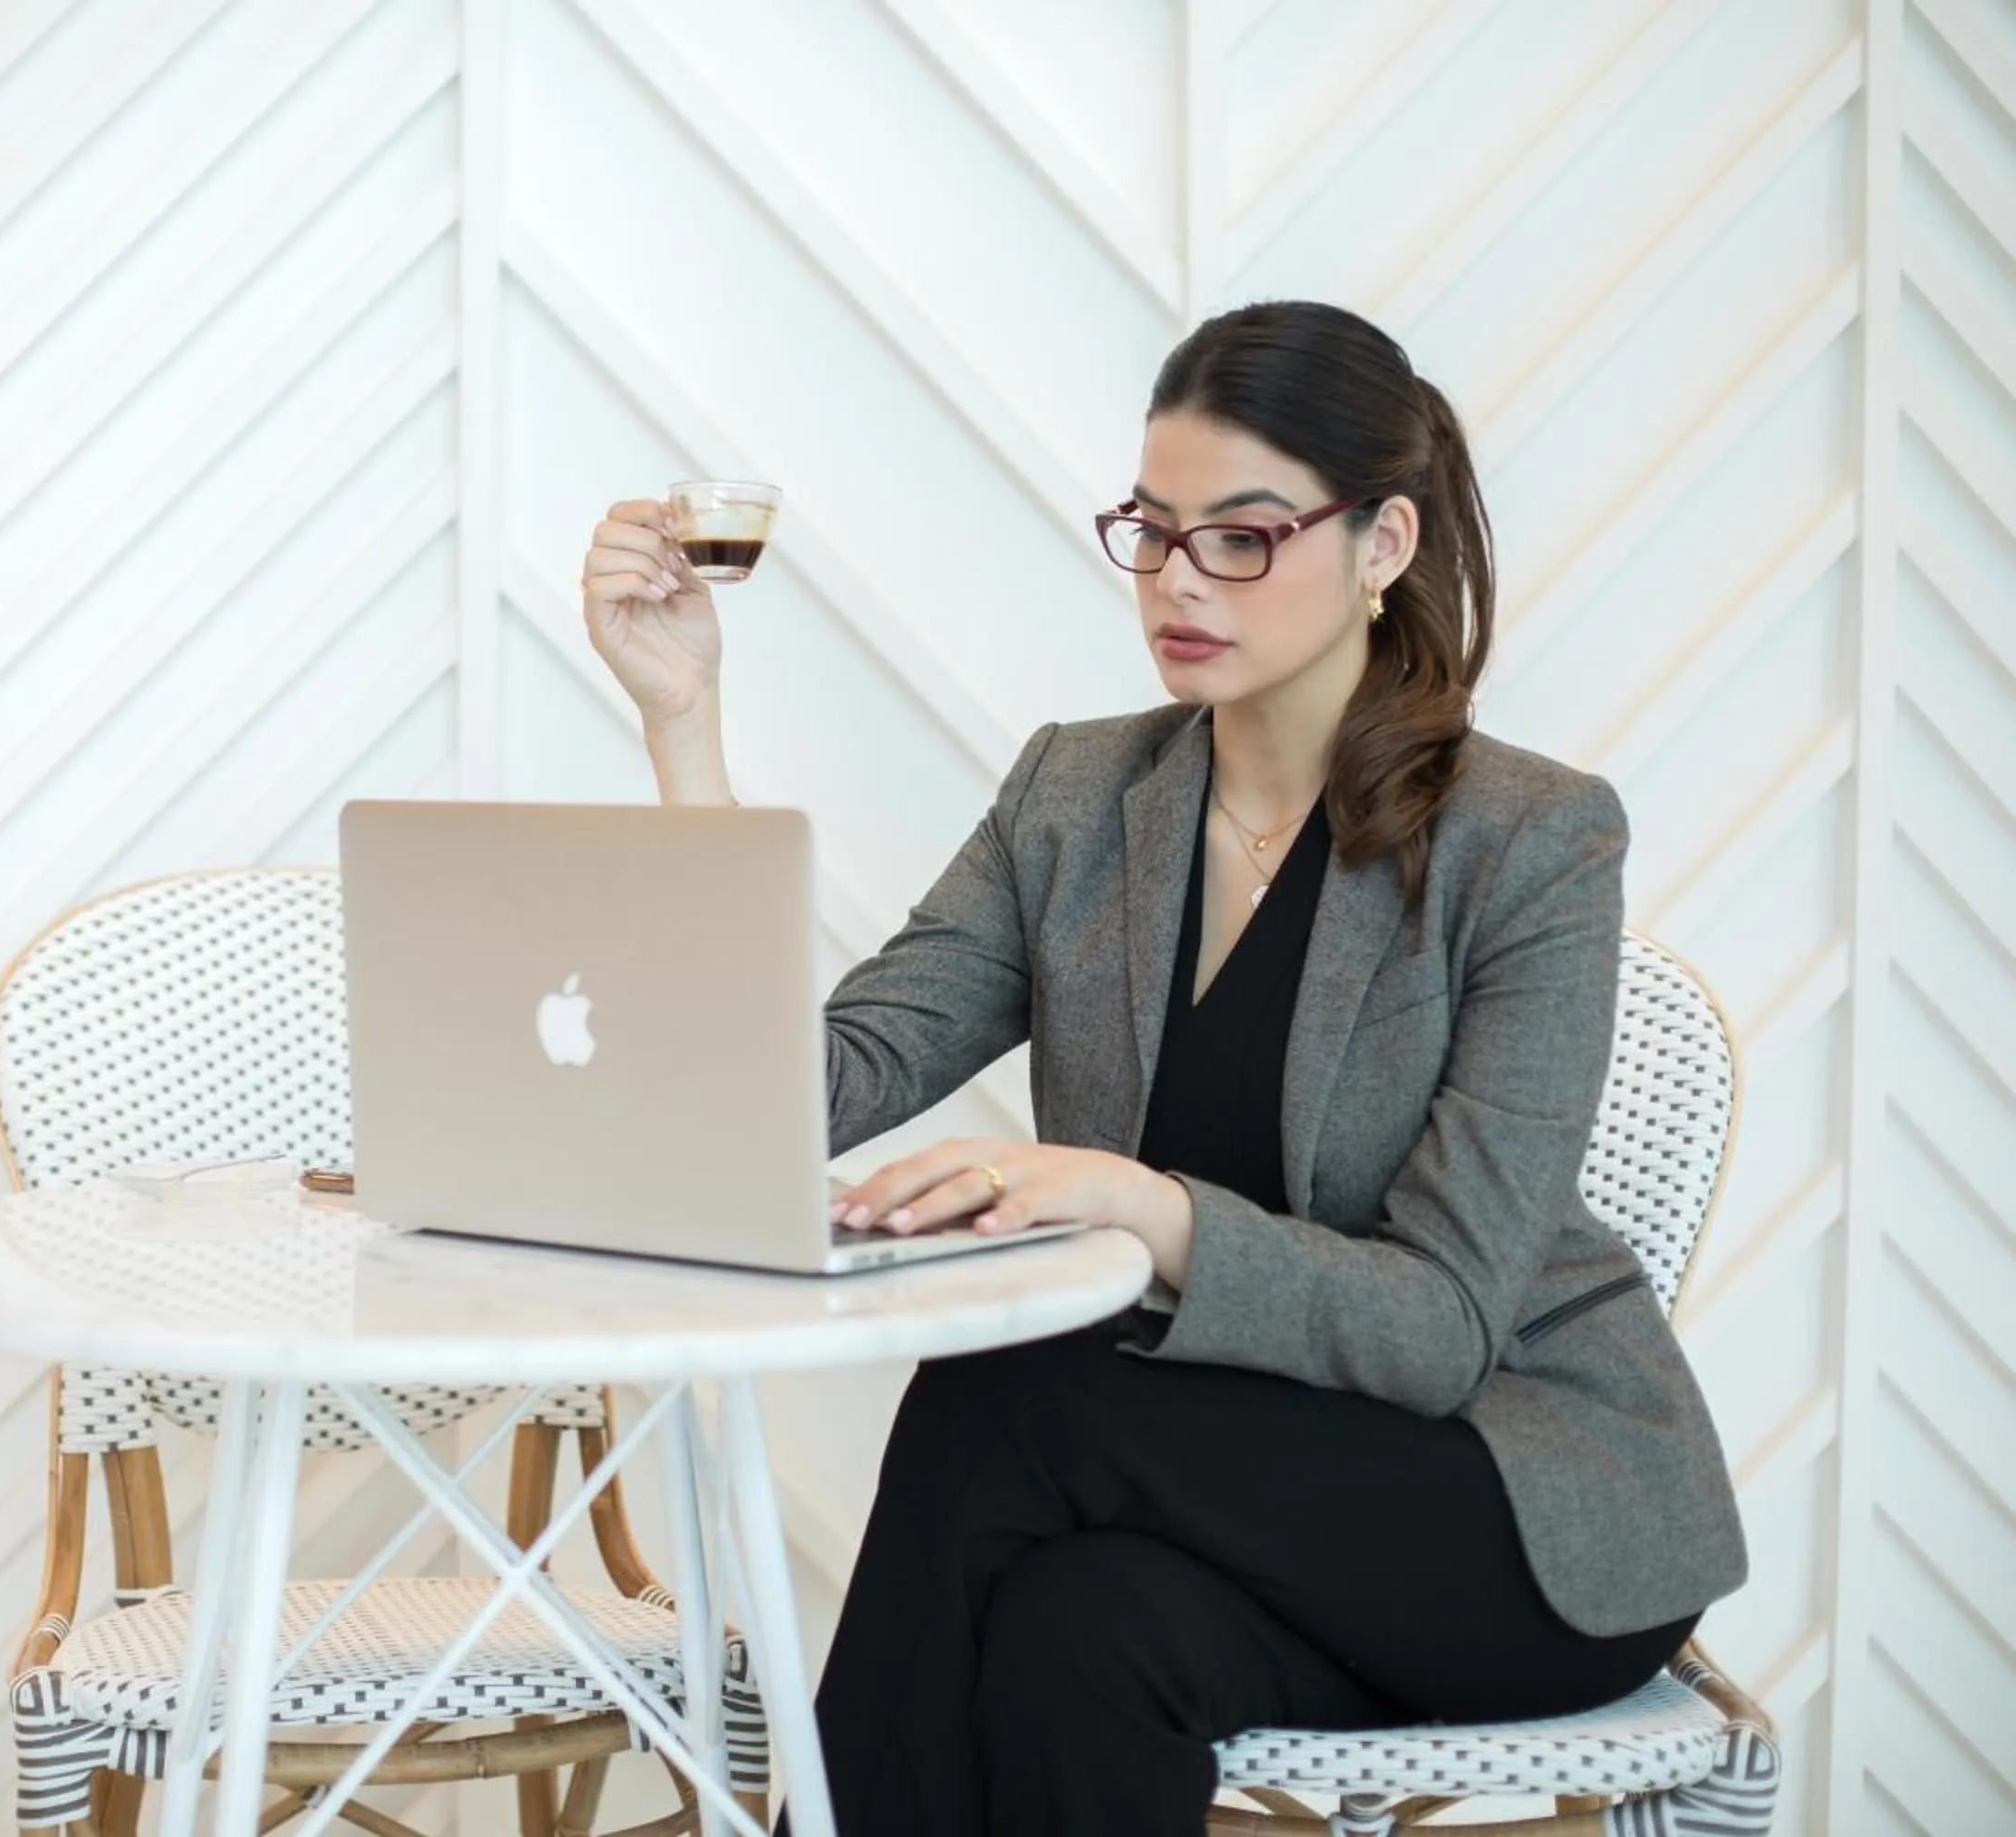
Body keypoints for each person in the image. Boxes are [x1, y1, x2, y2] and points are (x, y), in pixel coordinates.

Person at [576, 300, 1748, 1834]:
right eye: (1153, 530)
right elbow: (823, 1078)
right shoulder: (1078, 796)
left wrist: (1141, 1205)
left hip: (1512, 1504)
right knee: (1079, 1640)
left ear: (1385, 543)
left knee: (1015, 1400)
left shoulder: (1528, 840)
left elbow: (1441, 1327)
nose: (1180, 581)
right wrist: (685, 731)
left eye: (1243, 538)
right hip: (1201, 1494)